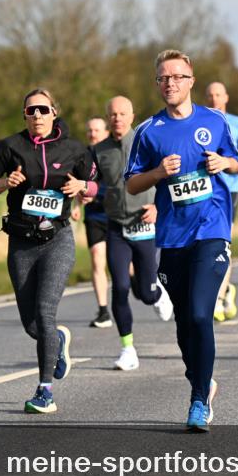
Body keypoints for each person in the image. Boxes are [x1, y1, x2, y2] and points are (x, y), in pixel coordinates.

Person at [126, 49, 238, 431]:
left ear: (191, 81)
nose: (170, 83)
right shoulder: (148, 131)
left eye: (177, 77)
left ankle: (197, 402)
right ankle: (201, 381)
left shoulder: (215, 121)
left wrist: (223, 163)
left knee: (198, 313)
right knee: (183, 324)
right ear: (157, 84)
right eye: (163, 78)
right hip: (173, 238)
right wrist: (158, 172)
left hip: (212, 229)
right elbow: (131, 184)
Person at [0, 88, 98, 413]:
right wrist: (3, 184)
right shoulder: (7, 148)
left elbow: (95, 186)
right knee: (32, 324)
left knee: (45, 313)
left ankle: (45, 391)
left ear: (54, 112)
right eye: (31, 111)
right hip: (21, 243)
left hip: (57, 239)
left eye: (44, 110)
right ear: (25, 116)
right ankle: (56, 340)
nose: (38, 116)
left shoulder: (74, 149)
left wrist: (83, 187)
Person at [94, 95, 174, 372]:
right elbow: (92, 183)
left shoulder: (147, 141)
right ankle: (127, 349)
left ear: (132, 116)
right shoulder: (99, 150)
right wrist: (82, 195)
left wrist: (158, 208)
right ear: (108, 117)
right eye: (113, 114)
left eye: (122, 113)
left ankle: (157, 293)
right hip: (116, 226)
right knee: (120, 287)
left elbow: (166, 177)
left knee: (146, 292)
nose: (117, 118)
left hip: (145, 223)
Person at [206, 82, 238, 321]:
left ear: (226, 97)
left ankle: (218, 296)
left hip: (229, 188)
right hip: (205, 189)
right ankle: (225, 290)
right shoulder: (200, 120)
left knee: (222, 244)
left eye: (218, 95)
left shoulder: (236, 122)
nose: (214, 99)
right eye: (210, 95)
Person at [79, 116, 112, 328]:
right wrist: (76, 204)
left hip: (118, 214)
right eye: (90, 130)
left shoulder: (112, 153)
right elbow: (75, 182)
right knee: (97, 257)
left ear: (106, 132)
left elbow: (119, 185)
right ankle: (103, 312)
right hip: (94, 216)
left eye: (97, 130)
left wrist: (95, 193)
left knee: (127, 267)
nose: (92, 134)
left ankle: (142, 283)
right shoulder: (81, 155)